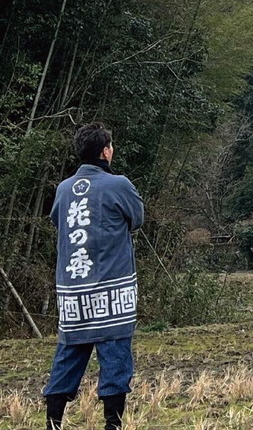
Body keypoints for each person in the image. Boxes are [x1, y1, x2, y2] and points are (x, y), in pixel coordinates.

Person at [43, 123, 144, 430]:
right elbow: (137, 218)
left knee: (69, 353)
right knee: (115, 355)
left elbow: (57, 220)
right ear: (105, 151)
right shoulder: (119, 185)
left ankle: (53, 421)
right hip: (111, 288)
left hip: (73, 291)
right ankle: (112, 423)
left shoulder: (63, 189)